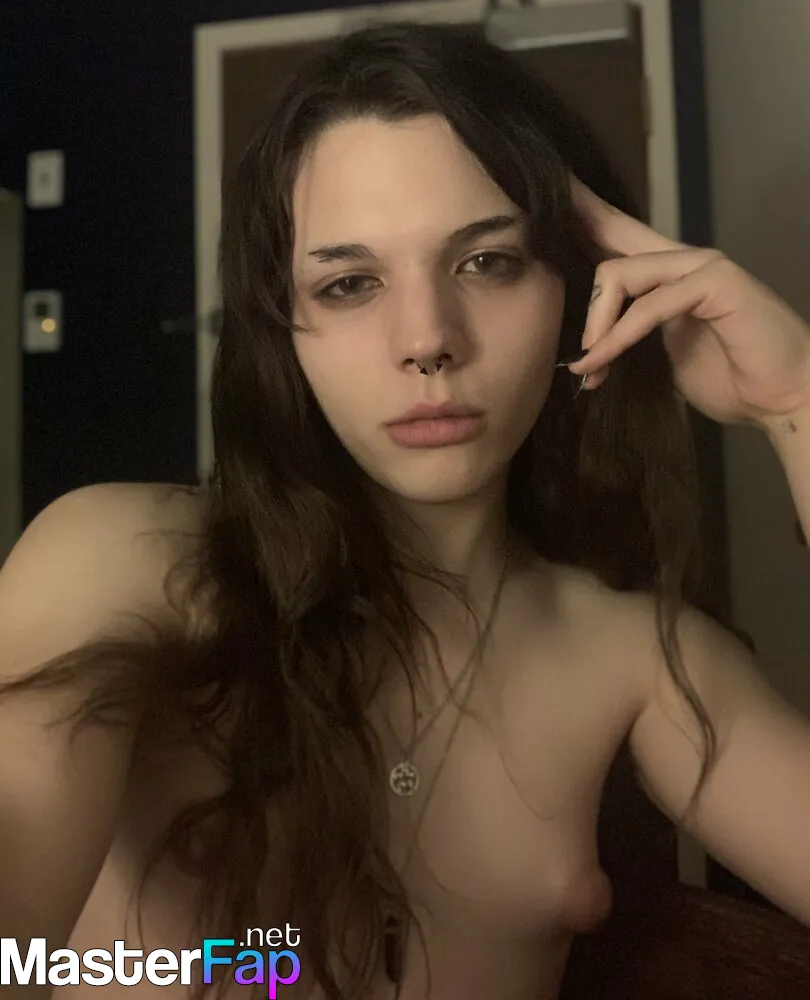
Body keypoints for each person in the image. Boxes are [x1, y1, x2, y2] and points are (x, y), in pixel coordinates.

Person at [1, 19, 809, 1000]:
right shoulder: (120, 563)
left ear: (581, 289)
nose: (427, 339)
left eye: (487, 262)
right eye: (349, 283)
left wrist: (798, 401)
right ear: (281, 327)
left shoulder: (637, 658)